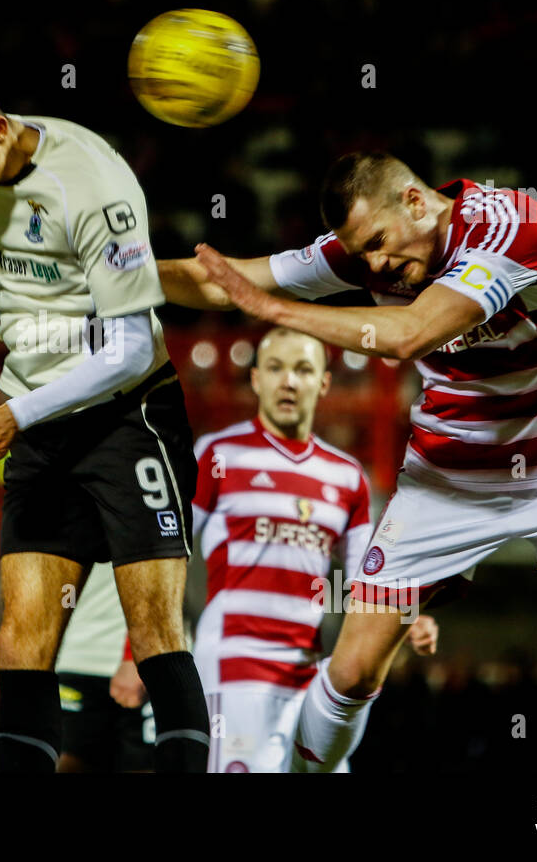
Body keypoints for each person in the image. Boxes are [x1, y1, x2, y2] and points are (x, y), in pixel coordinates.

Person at [161, 151, 537, 773]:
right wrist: (110, 278)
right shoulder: (366, 252)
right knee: (351, 673)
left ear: (414, 200)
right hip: (446, 481)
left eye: (377, 243)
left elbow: (411, 333)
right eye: (362, 253)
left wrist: (273, 310)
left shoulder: (509, 226)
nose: (373, 264)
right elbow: (224, 280)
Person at [0, 68, 209, 772]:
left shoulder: (96, 188)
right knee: (21, 640)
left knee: (155, 629)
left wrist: (15, 412)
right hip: (42, 426)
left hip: (128, 419)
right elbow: (20, 259)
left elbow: (130, 348)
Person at [192, 326, 437, 772]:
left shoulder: (346, 476)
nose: (289, 381)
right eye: (276, 368)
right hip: (233, 663)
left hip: (310, 670)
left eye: (303, 369)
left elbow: (369, 574)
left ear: (323, 382)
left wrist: (408, 615)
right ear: (256, 380)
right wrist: (138, 652)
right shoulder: (216, 455)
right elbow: (167, 555)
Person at [54, 564, 154, 772]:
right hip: (78, 657)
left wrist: (133, 652)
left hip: (138, 661)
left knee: (143, 764)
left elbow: (161, 564)